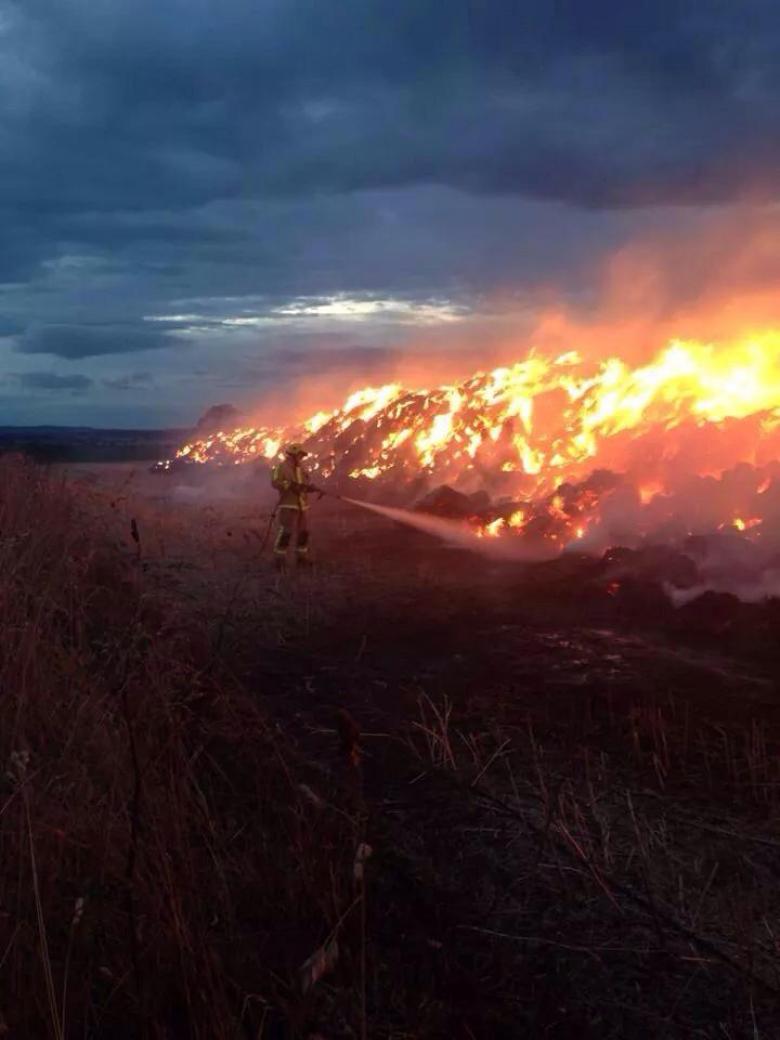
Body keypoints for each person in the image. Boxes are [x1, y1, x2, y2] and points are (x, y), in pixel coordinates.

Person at [270, 443, 317, 569]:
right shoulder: (281, 467)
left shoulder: (301, 468)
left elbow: (305, 483)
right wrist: (289, 485)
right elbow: (275, 482)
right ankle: (279, 561)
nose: (302, 457)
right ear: (293, 455)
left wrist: (310, 488)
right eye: (300, 455)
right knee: (287, 532)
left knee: (304, 532)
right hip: (288, 504)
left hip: (302, 505)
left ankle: (301, 558)